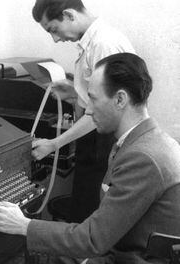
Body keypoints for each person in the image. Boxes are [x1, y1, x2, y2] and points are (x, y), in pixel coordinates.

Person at [0, 53, 180, 264]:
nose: (89, 110)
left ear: (120, 99)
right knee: (59, 256)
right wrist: (90, 259)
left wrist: (23, 225)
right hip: (124, 250)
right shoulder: (143, 139)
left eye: (93, 99)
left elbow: (94, 239)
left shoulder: (143, 157)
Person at [31, 0, 135, 222]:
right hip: (96, 143)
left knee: (89, 217)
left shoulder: (102, 45)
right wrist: (74, 92)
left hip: (104, 143)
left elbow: (101, 113)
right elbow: (98, 98)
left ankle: (84, 258)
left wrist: (53, 144)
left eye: (54, 30)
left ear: (69, 15)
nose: (56, 39)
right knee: (84, 211)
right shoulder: (95, 42)